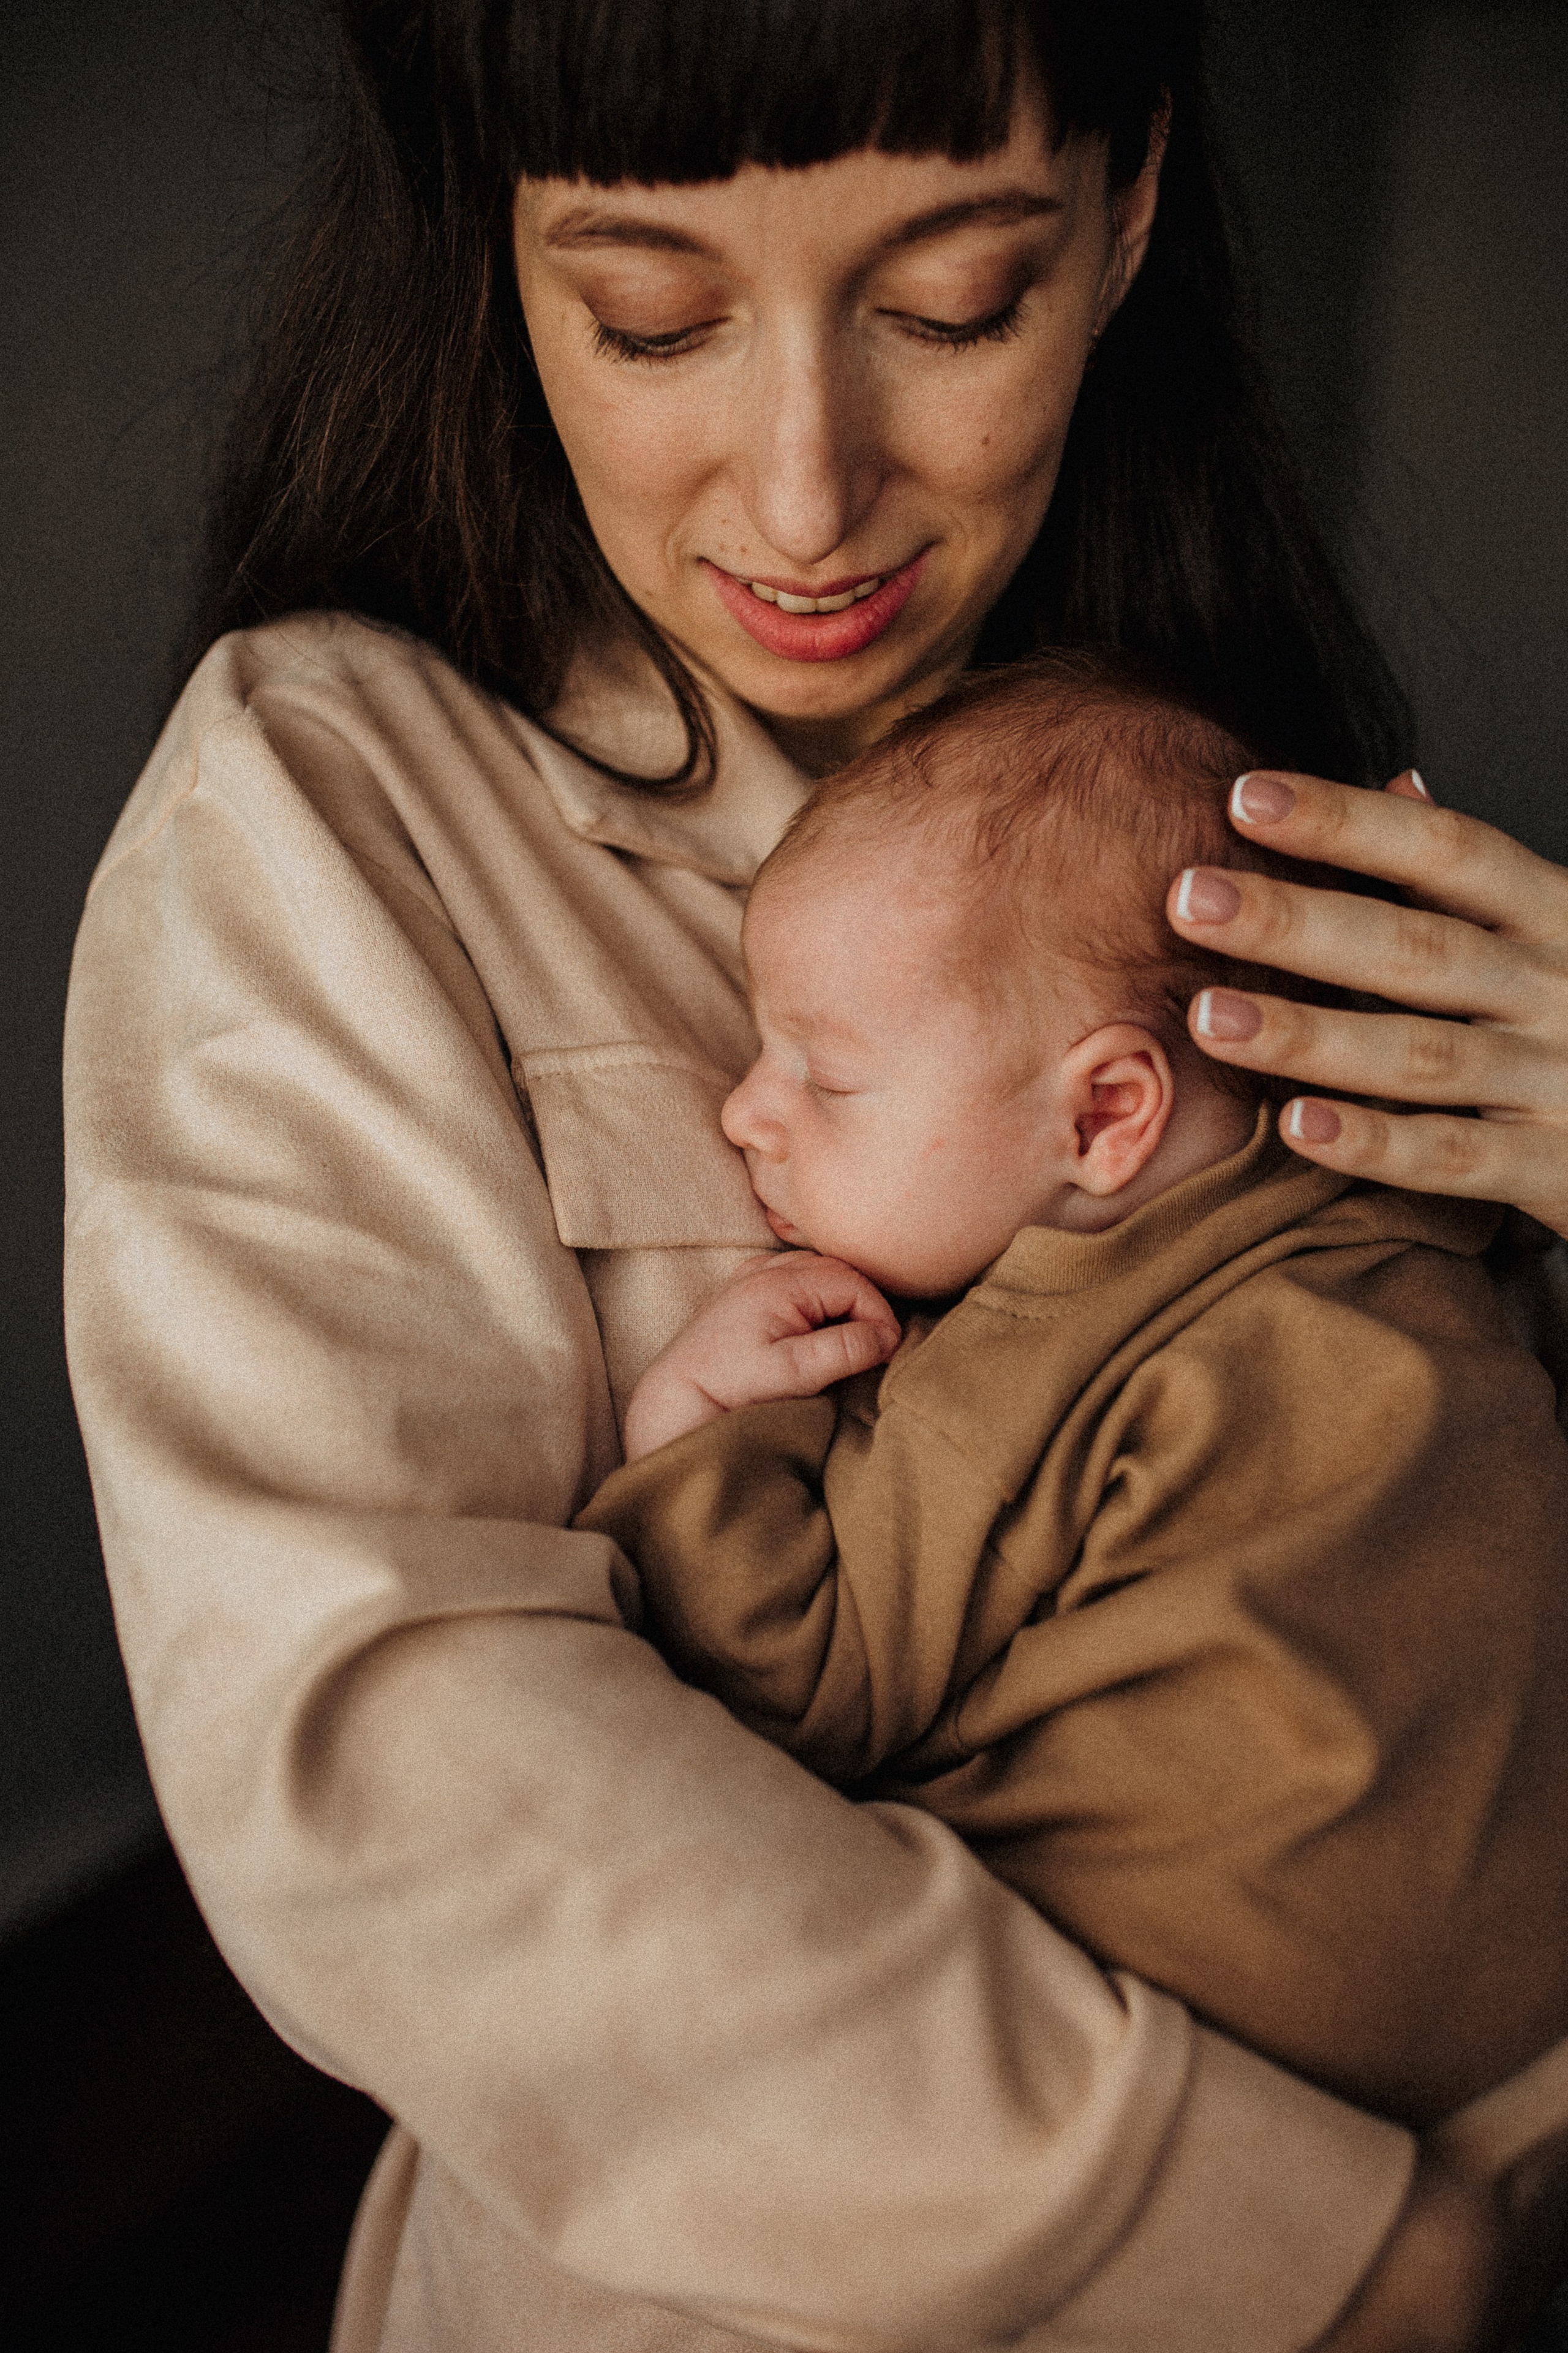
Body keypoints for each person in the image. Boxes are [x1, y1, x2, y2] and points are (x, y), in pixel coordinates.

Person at [59, 2, 1568, 2347]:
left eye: (956, 305)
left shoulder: (1233, 815)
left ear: (1129, 208)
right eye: (652, 318)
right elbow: (392, 1752)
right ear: (499, 256)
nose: (801, 495)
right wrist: (1283, 2233)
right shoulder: (326, 812)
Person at [580, 651, 1568, 2131]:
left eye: (823, 1076)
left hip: (1195, 2036)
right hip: (1509, 2049)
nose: (742, 1111)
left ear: (1106, 1114)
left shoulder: (1039, 1336)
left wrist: (707, 1433)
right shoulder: (1438, 1225)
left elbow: (805, 1675)